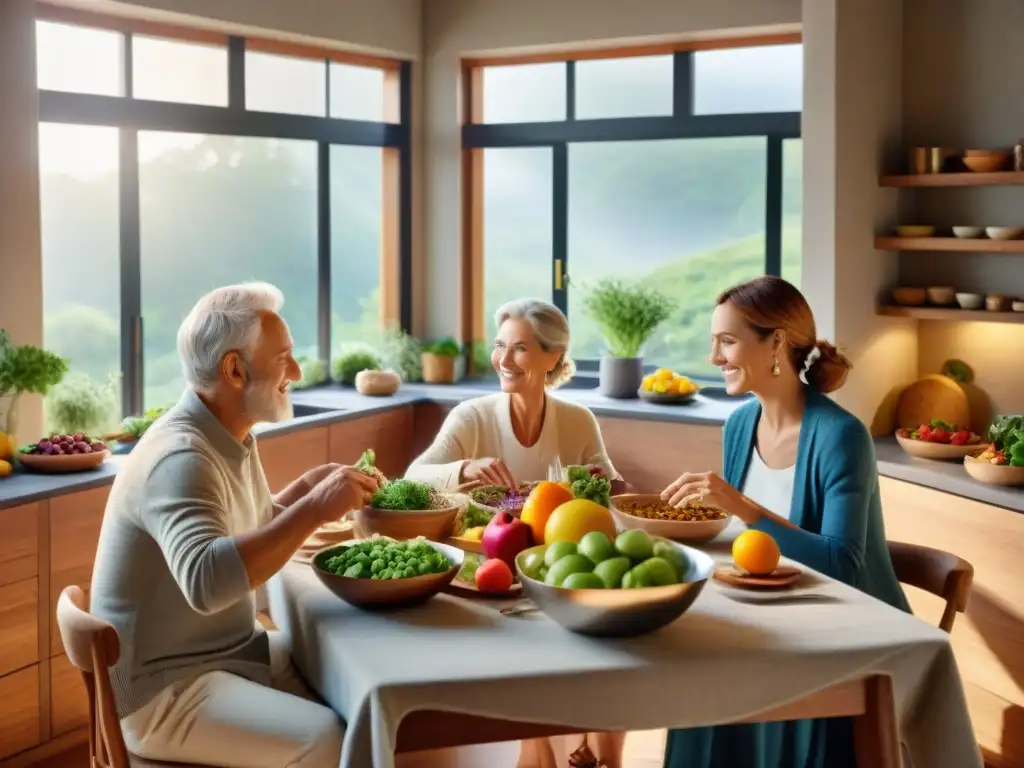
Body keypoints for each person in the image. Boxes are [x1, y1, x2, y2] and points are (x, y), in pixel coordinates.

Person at [89, 283, 381, 767]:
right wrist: (313, 511)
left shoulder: (225, 434)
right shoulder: (182, 457)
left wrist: (304, 492)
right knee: (323, 737)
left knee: (352, 681)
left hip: (220, 656)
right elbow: (206, 580)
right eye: (284, 357)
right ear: (234, 369)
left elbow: (245, 528)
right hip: (165, 693)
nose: (297, 371)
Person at [659, 275, 910, 768]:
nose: (715, 358)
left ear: (775, 343)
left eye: (727, 342)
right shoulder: (738, 425)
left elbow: (842, 565)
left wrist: (742, 507)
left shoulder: (841, 436)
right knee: (692, 671)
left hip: (848, 632)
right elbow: (744, 544)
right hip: (774, 616)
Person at [405, 297, 628, 768]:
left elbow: (611, 484)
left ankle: (574, 751)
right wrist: (465, 466)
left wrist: (605, 484)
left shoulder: (577, 419)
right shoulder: (473, 416)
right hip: (490, 573)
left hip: (560, 574)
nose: (504, 360)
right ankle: (541, 747)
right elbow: (411, 477)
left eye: (521, 349)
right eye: (501, 346)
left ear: (553, 356)